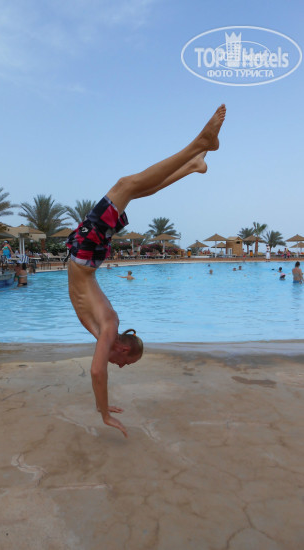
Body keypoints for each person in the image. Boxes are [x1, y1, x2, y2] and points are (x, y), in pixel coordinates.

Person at [65, 104, 226, 437]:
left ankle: (193, 164)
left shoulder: (105, 332)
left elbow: (98, 370)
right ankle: (199, 145)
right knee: (127, 185)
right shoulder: (109, 328)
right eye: (126, 363)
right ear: (123, 349)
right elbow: (97, 372)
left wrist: (102, 406)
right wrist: (104, 413)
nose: (120, 366)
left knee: (131, 188)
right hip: (84, 255)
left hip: (85, 256)